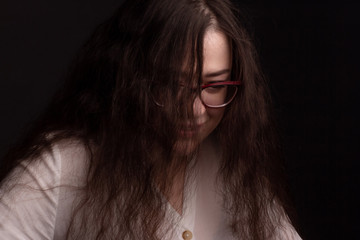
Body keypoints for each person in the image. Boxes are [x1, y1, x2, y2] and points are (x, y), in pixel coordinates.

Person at [0, 0, 302, 239]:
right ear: (132, 79)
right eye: (172, 85)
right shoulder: (63, 167)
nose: (194, 109)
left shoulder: (232, 169)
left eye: (215, 86)